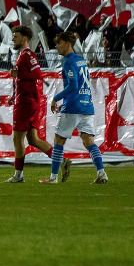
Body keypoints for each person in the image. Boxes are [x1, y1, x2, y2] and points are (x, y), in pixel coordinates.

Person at [41, 31, 108, 184]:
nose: (56, 46)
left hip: (73, 106)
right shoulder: (81, 60)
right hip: (87, 106)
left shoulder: (69, 62)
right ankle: (102, 173)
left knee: (58, 140)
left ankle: (53, 178)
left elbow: (73, 85)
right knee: (89, 141)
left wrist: (55, 98)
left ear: (68, 44)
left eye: (59, 43)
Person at [3, 26, 59, 183]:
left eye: (16, 36)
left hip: (26, 103)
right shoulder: (22, 55)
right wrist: (14, 95)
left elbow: (38, 75)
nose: (13, 39)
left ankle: (18, 175)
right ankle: (61, 160)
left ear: (25, 38)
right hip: (26, 100)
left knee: (17, 139)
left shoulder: (28, 55)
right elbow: (24, 80)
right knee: (33, 139)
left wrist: (18, 74)